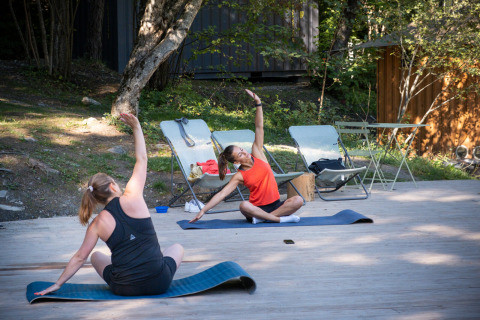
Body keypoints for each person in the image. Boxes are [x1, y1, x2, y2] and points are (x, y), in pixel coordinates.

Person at [35, 113, 184, 296]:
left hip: (124, 288)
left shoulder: (96, 224)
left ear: (95, 198)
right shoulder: (133, 196)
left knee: (96, 256)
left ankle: (130, 270)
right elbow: (142, 159)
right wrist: (136, 127)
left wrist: (58, 284)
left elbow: (80, 257)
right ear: (113, 186)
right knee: (177, 248)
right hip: (159, 282)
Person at [190, 89, 303, 224]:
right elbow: (222, 194)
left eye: (242, 149)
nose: (245, 152)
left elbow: (259, 127)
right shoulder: (239, 175)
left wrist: (258, 103)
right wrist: (203, 210)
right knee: (243, 205)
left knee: (298, 200)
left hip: (276, 205)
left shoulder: (258, 154)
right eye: (240, 154)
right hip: (255, 209)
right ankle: (278, 219)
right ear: (237, 161)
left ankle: (265, 219)